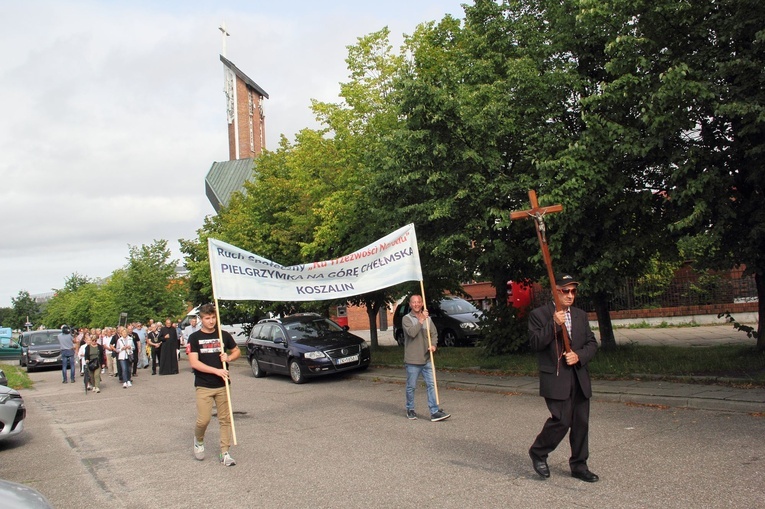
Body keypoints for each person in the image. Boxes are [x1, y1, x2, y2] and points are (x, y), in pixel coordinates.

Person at [528, 273, 599, 482]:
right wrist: (553, 324)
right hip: (556, 378)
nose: (570, 295)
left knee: (580, 423)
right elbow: (535, 343)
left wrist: (579, 356)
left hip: (579, 376)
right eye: (565, 291)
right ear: (554, 291)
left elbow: (592, 344)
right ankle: (538, 452)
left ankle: (579, 465)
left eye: (573, 291)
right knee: (562, 420)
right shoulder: (539, 315)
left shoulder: (579, 315)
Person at [188, 304, 240, 466]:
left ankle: (225, 452)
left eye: (213, 317)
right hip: (204, 385)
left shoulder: (223, 335)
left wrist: (229, 358)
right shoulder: (194, 338)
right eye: (207, 318)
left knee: (225, 419)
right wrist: (215, 371)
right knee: (203, 420)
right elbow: (194, 363)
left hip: (223, 385)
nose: (211, 321)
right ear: (201, 319)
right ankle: (199, 440)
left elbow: (236, 350)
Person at [402, 294, 450, 422]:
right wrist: (421, 320)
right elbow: (412, 333)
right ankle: (410, 409)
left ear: (422, 303)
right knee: (411, 386)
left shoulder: (428, 319)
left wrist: (433, 345)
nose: (416, 304)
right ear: (410, 304)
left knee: (431, 385)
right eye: (414, 302)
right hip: (413, 360)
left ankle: (434, 411)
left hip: (427, 359)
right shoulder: (406, 319)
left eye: (418, 302)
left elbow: (433, 333)